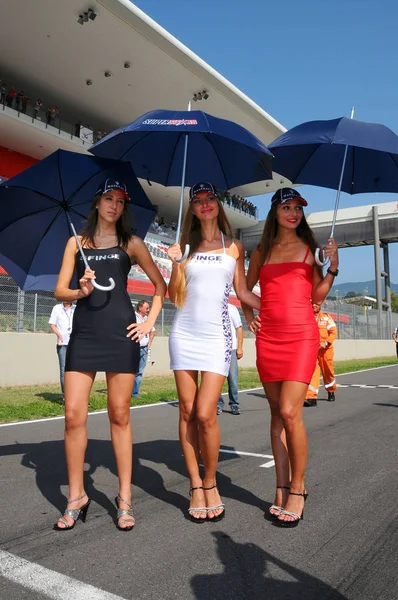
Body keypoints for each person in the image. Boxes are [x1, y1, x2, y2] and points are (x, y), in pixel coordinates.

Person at [53, 178, 166, 532]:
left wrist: (147, 323)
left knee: (119, 415)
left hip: (121, 334)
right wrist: (81, 290)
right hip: (84, 334)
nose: (114, 205)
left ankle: (124, 497)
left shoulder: (131, 243)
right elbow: (60, 292)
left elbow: (160, 287)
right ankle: (76, 496)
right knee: (73, 416)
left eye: (120, 200)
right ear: (97, 203)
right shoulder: (77, 243)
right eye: (108, 198)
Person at [242, 187, 339, 528]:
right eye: (287, 207)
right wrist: (248, 313)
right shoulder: (261, 251)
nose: (294, 213)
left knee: (288, 411)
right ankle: (280, 487)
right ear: (275, 212)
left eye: (298, 207)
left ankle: (298, 489)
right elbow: (244, 288)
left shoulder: (310, 250)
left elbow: (317, 296)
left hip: (301, 336)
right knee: (275, 414)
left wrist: (332, 270)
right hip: (268, 338)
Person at [167, 181, 260, 523]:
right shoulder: (183, 246)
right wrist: (177, 264)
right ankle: (195, 485)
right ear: (192, 208)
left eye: (210, 199)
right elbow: (174, 296)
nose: (205, 204)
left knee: (206, 414)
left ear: (218, 205)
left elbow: (243, 292)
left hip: (217, 336)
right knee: (187, 411)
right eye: (199, 200)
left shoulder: (234, 245)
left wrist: (274, 308)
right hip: (184, 334)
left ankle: (211, 481)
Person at [304, 303, 338, 407]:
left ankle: (331, 391)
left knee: (328, 371)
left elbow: (333, 332)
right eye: (312, 303)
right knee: (313, 372)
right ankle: (311, 397)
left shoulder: (326, 318)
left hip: (326, 350)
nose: (314, 305)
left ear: (320, 305)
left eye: (316, 304)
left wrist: (326, 342)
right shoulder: (306, 318)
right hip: (313, 350)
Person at [217, 303, 243, 415]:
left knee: (232, 377)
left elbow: (239, 329)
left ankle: (234, 404)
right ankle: (218, 404)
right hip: (215, 349)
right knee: (216, 379)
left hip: (231, 349)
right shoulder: (210, 307)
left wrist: (240, 348)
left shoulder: (232, 309)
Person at [48, 301, 76, 400]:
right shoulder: (57, 308)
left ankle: (76, 396)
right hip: (62, 344)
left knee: (75, 370)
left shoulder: (76, 308)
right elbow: (52, 324)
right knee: (64, 370)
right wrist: (59, 335)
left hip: (75, 344)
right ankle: (66, 397)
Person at [131, 300, 155, 398]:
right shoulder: (133, 317)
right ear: (140, 308)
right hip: (134, 348)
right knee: (131, 371)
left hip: (144, 349)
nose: (148, 310)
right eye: (146, 308)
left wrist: (149, 342)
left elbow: (153, 330)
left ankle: (135, 393)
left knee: (139, 372)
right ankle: (127, 392)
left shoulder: (147, 319)